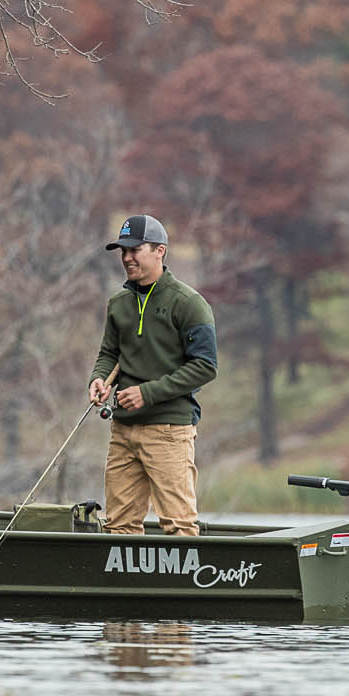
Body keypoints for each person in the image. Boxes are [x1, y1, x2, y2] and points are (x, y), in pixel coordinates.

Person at [87, 215, 217, 537]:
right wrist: (99, 379)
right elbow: (109, 354)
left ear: (160, 251)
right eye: (123, 251)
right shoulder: (118, 304)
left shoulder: (189, 304)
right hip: (123, 430)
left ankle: (185, 589)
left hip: (170, 430)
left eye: (135, 250)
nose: (127, 258)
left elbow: (205, 366)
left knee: (179, 525)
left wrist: (147, 393)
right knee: (118, 527)